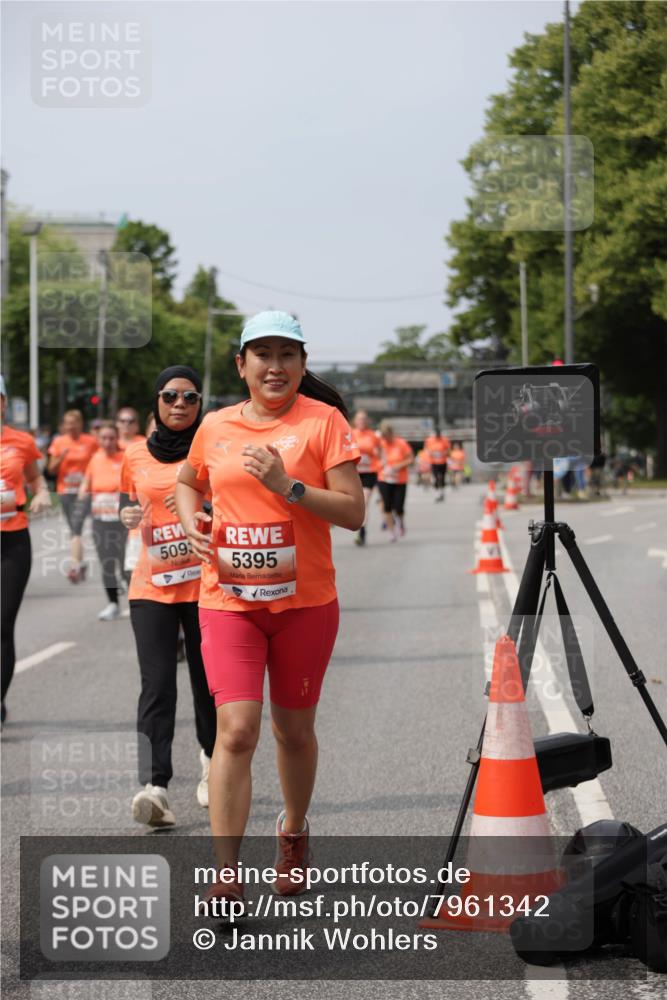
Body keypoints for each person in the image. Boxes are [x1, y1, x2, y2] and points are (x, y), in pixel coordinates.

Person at [175, 310, 364, 905]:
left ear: (303, 365)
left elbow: (355, 512)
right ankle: (226, 875)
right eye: (263, 354)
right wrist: (190, 524)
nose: (275, 366)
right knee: (235, 732)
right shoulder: (216, 426)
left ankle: (293, 830)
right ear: (242, 365)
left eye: (288, 354)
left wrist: (289, 486)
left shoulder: (324, 422)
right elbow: (188, 481)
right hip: (228, 601)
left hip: (305, 604)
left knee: (293, 731)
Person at [119, 366, 217, 828]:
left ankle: (212, 765)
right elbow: (129, 501)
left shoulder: (214, 449)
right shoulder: (135, 454)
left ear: (200, 404)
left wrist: (207, 510)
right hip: (150, 587)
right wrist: (127, 514)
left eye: (190, 397)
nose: (180, 404)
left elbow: (237, 506)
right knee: (157, 685)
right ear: (156, 401)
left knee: (207, 684)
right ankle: (155, 787)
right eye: (171, 395)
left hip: (207, 586)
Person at [0, 376, 51, 723]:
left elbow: (35, 479)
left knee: (2, 625)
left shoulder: (21, 441)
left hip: (12, 540)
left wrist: (43, 493)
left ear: (4, 402)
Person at [79, 421, 125, 621]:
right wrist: (81, 495)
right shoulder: (95, 459)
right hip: (100, 520)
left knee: (126, 564)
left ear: (117, 439)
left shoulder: (125, 459)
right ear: (98, 440)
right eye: (103, 438)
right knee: (107, 563)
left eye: (111, 438)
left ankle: (135, 600)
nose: (107, 442)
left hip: (122, 521)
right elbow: (87, 484)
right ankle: (113, 603)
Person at [47, 410, 98, 582]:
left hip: (84, 492)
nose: (70, 426)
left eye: (73, 422)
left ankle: (75, 566)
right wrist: (60, 457)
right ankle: (81, 563)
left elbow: (99, 461)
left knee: (76, 527)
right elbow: (50, 469)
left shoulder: (90, 441)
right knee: (73, 529)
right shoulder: (59, 442)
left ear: (80, 424)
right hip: (65, 490)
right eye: (67, 423)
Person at [377, 421, 413, 541]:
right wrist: (380, 463)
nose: (385, 439)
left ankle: (401, 522)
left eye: (387, 436)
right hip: (384, 478)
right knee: (387, 506)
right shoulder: (381, 444)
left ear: (391, 433)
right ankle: (392, 532)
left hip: (399, 480)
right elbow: (375, 457)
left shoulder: (401, 443)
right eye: (383, 436)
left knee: (398, 507)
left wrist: (398, 466)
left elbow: (410, 459)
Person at [350, 409, 382, 546]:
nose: (361, 421)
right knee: (353, 503)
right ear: (355, 421)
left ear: (367, 421)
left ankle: (361, 531)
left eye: (364, 419)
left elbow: (380, 453)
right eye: (359, 419)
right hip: (353, 472)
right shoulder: (349, 433)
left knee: (365, 501)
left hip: (369, 472)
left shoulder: (373, 435)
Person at [424, 426, 450, 502]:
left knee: (442, 477)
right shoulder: (429, 440)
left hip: (442, 462)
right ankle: (437, 493)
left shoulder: (444, 440)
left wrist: (443, 453)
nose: (438, 436)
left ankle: (441, 491)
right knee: (435, 477)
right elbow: (426, 449)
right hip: (434, 462)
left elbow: (448, 450)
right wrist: (431, 453)